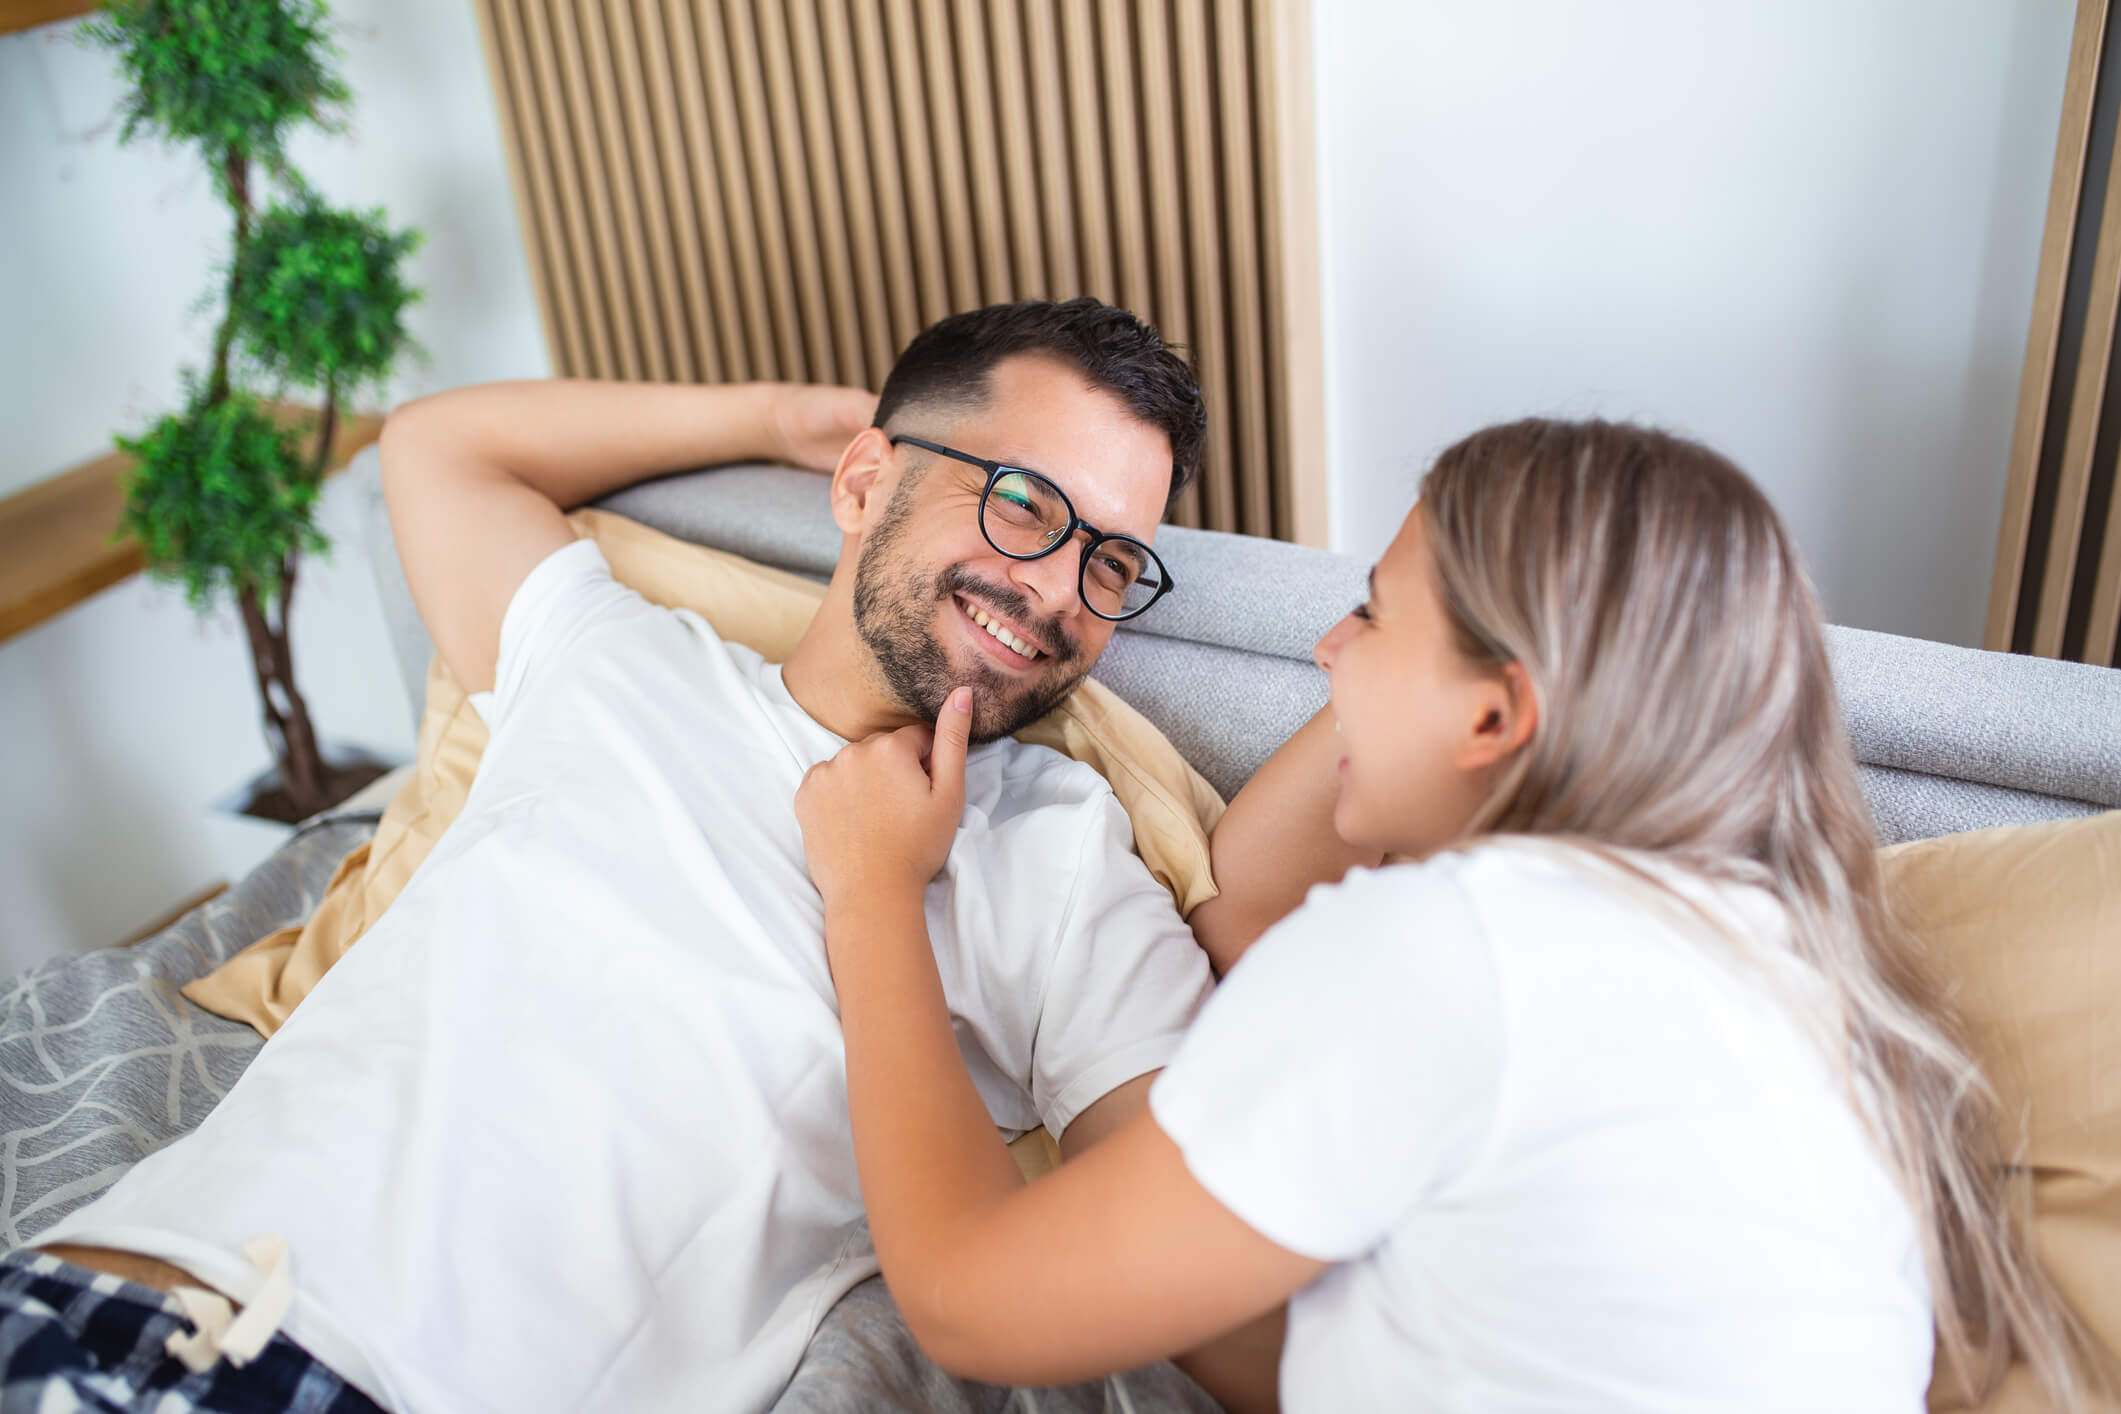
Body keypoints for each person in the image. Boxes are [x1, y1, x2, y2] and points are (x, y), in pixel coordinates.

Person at [4, 300, 1237, 1414]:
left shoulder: (1059, 856)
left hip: (380, 1383)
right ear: (867, 479)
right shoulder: (617, 660)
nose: (1058, 590)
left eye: (1111, 561)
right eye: (1023, 502)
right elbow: (435, 446)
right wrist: (771, 417)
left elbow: (1197, 1276)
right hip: (88, 1281)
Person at [794, 418, 2084, 1412]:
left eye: (1369, 612)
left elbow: (967, 1298)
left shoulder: (1457, 949)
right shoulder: (1772, 961)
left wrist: (874, 897)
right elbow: (1245, 909)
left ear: (1495, 714)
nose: (1325, 654)